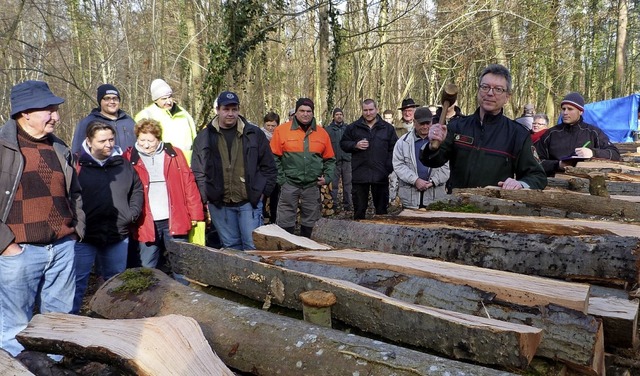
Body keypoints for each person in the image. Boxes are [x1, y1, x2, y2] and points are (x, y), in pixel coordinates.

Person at [0, 80, 85, 356]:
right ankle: (17, 369)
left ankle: (55, 366)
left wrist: (74, 233)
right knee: (14, 327)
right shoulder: (3, 148)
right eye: (49, 110)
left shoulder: (58, 147)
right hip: (18, 252)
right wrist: (7, 246)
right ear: (25, 113)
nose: (56, 116)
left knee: (59, 321)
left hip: (62, 248)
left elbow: (75, 194)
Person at [421, 64, 547, 190]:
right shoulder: (457, 127)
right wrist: (432, 147)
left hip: (496, 206)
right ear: (478, 90)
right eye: (485, 87)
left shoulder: (517, 134)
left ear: (507, 97)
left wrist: (520, 184)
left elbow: (538, 176)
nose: (490, 93)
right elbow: (431, 161)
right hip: (456, 204)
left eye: (498, 89)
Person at [73, 122, 143, 313]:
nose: (108, 144)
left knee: (115, 282)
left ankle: (111, 320)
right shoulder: (76, 164)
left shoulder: (123, 164)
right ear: (89, 141)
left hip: (117, 234)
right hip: (84, 236)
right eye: (102, 140)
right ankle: (72, 323)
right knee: (77, 283)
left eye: (111, 139)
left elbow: (137, 188)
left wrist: (132, 213)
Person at [192, 91, 277, 250]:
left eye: (234, 109)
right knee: (230, 247)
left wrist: (262, 192)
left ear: (238, 109)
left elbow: (269, 166)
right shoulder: (204, 137)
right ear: (217, 110)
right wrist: (206, 196)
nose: (230, 113)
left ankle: (254, 276)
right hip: (219, 203)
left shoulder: (253, 134)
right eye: (226, 109)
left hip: (249, 201)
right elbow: (198, 170)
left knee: (252, 246)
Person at [124, 118, 204, 267]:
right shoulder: (129, 157)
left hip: (175, 218)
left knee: (181, 265)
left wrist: (195, 214)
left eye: (150, 140)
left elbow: (189, 184)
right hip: (145, 221)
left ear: (159, 139)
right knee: (148, 266)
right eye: (142, 140)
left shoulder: (174, 154)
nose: (146, 145)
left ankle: (182, 290)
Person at [270, 98, 335, 237]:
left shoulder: (322, 133)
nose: (305, 114)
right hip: (289, 183)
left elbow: (330, 159)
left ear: (313, 113)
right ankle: (285, 250)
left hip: (312, 184)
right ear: (296, 112)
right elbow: (274, 157)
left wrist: (327, 177)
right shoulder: (282, 130)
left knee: (311, 220)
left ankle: (308, 249)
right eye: (302, 111)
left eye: (308, 111)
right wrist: (282, 180)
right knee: (285, 219)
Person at [536, 92, 620, 176]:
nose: (565, 112)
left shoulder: (593, 132)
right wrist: (558, 165)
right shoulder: (550, 134)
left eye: (570, 109)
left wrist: (592, 153)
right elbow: (536, 161)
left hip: (586, 182)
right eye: (563, 109)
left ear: (580, 111)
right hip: (553, 183)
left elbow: (615, 154)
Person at [341, 99, 398, 219]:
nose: (368, 113)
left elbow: (394, 149)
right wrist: (355, 145)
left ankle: (383, 235)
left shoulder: (387, 128)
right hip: (360, 175)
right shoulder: (353, 127)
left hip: (380, 175)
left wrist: (388, 168)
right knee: (359, 210)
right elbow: (343, 144)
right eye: (365, 110)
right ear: (362, 111)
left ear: (376, 110)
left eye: (371, 110)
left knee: (381, 211)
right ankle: (358, 235)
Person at [393, 107, 449, 209]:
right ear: (414, 123)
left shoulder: (441, 142)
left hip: (435, 197)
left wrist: (433, 182)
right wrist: (415, 180)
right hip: (410, 198)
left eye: (428, 123)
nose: (425, 126)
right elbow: (398, 165)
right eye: (422, 124)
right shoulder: (402, 142)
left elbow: (447, 167)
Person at [135, 78, 197, 162]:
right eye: (164, 99)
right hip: (162, 164)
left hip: (187, 163)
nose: (168, 101)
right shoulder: (146, 115)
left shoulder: (184, 114)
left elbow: (195, 139)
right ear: (155, 100)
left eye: (170, 97)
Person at [71, 84, 136, 154]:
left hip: (128, 164)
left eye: (115, 98)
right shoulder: (88, 123)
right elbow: (77, 152)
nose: (112, 102)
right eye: (107, 98)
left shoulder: (129, 122)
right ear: (100, 102)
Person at [326, 107, 353, 212]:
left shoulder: (348, 128)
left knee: (348, 184)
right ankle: (334, 204)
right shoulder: (328, 130)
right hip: (334, 161)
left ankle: (348, 205)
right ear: (333, 116)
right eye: (337, 114)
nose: (339, 116)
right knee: (334, 184)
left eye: (340, 114)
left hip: (347, 160)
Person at [261, 112, 281, 223]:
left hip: (277, 172)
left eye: (273, 126)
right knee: (262, 199)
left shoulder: (280, 136)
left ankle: (274, 221)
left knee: (275, 200)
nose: (270, 128)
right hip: (262, 172)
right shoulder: (259, 135)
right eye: (268, 125)